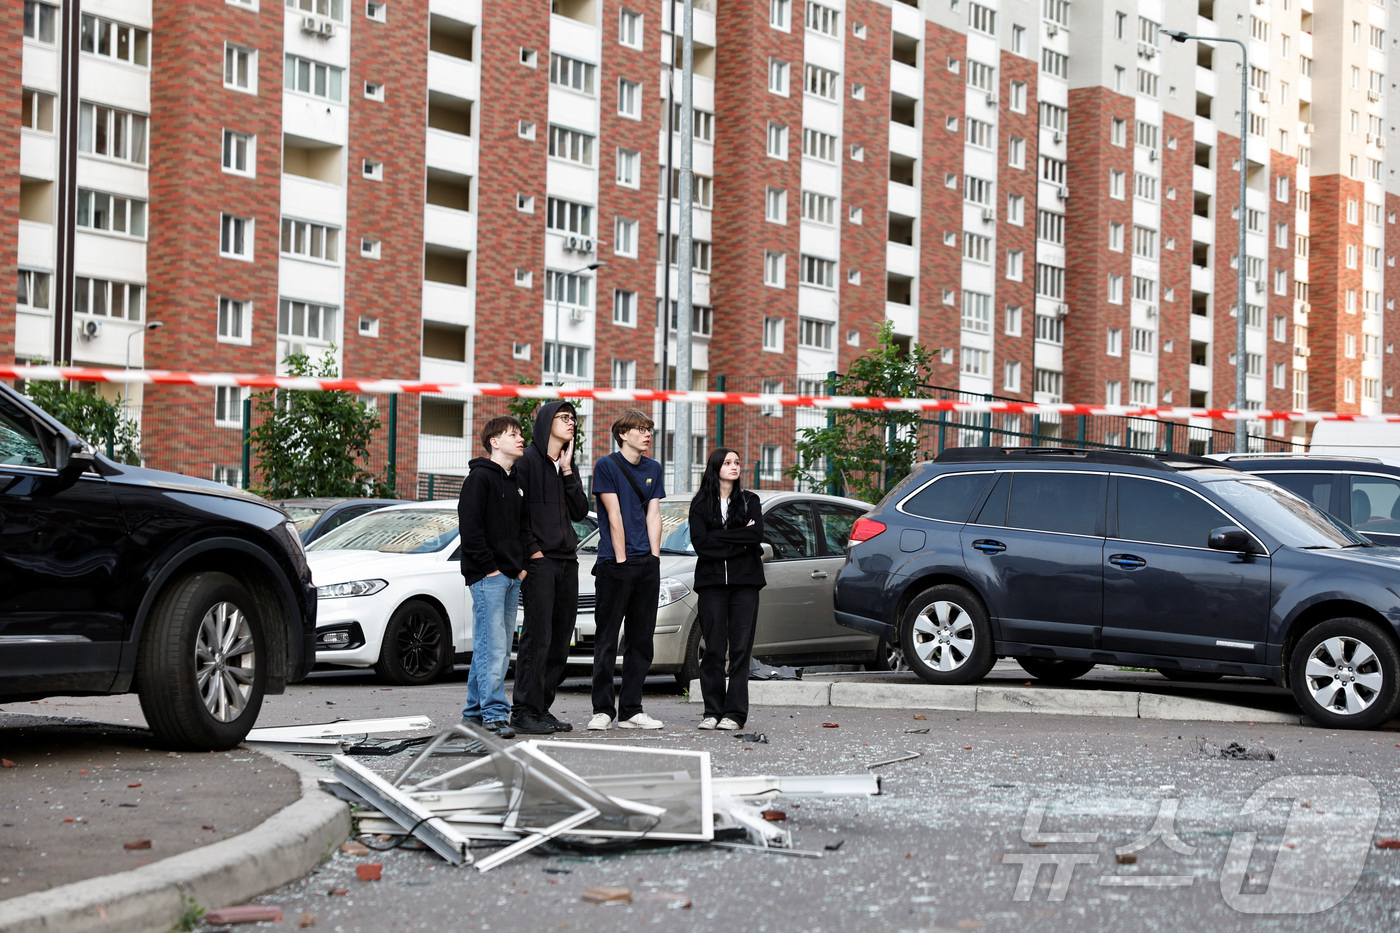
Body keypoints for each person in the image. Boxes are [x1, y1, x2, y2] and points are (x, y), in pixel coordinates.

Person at [510, 401, 590, 735]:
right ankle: (524, 710)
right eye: (564, 418)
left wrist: (568, 470)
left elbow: (581, 511)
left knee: (560, 640)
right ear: (547, 422)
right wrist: (534, 554)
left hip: (567, 562)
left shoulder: (566, 465)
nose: (571, 423)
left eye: (574, 419)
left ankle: (542, 709)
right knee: (537, 638)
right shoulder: (526, 462)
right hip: (541, 563)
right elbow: (517, 514)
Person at [588, 408, 666, 730]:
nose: (647, 434)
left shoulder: (654, 468)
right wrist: (622, 559)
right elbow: (614, 515)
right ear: (623, 434)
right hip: (614, 564)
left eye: (649, 429)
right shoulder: (606, 465)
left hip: (647, 564)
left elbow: (654, 513)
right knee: (607, 639)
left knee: (641, 639)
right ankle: (603, 709)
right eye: (640, 429)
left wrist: (654, 558)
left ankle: (632, 709)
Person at [458, 415, 529, 739]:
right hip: (489, 577)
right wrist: (491, 568)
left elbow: (519, 529)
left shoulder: (514, 483)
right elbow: (470, 530)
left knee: (491, 646)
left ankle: (474, 713)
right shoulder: (479, 480)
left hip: (511, 576)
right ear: (494, 442)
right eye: (512, 434)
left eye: (520, 434)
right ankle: (495, 715)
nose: (520, 438)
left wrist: (519, 567)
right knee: (495, 647)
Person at [687, 448, 766, 731]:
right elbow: (701, 544)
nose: (734, 467)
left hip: (746, 583)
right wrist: (739, 542)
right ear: (715, 467)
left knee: (741, 650)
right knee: (714, 649)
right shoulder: (700, 504)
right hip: (711, 585)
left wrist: (718, 537)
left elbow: (756, 535)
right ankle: (712, 711)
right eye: (728, 462)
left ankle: (734, 714)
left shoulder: (749, 501)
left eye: (737, 462)